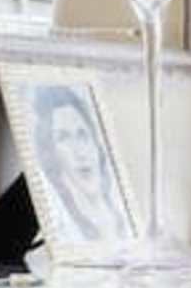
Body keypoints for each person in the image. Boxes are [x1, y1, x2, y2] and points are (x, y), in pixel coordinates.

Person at [31, 83, 130, 246]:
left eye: (82, 135)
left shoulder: (122, 220)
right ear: (52, 155)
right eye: (63, 137)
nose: (79, 152)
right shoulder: (64, 228)